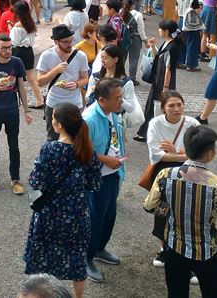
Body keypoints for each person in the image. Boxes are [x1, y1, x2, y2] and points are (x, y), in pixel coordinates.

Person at [144, 126, 217, 298]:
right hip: (206, 253)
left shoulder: (166, 175)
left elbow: (149, 206)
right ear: (210, 153)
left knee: (176, 294)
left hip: (174, 248)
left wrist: (169, 209)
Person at [24, 103, 102, 298]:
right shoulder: (87, 151)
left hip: (49, 215)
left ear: (59, 125)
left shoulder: (49, 149)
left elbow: (37, 181)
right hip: (77, 215)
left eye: (53, 118)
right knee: (77, 262)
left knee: (44, 261)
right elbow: (94, 184)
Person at [144, 91, 201, 268]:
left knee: (189, 211)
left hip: (190, 170)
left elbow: (200, 152)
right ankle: (164, 249)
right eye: (171, 105)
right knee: (163, 210)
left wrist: (175, 150)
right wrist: (187, 154)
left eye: (179, 104)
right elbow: (157, 155)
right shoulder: (155, 123)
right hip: (164, 171)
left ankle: (188, 252)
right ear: (163, 108)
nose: (176, 109)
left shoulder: (193, 123)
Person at [82, 78, 126, 284]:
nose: (121, 102)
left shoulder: (113, 113)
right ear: (102, 100)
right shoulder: (89, 119)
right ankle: (86, 258)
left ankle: (99, 249)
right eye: (118, 98)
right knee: (95, 219)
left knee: (109, 216)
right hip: (96, 177)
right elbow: (80, 151)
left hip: (112, 174)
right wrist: (106, 159)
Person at [0, 34, 31, 195]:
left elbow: (21, 87)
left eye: (10, 47)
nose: (8, 51)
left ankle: (15, 179)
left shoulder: (17, 62)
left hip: (12, 111)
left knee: (14, 146)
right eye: (4, 48)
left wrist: (27, 110)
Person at [134, 20, 185, 141]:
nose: (158, 30)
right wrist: (153, 47)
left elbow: (168, 69)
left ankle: (152, 133)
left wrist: (165, 88)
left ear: (166, 31)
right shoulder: (167, 43)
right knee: (153, 107)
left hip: (163, 81)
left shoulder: (172, 47)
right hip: (159, 80)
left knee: (158, 107)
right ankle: (147, 132)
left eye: (160, 29)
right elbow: (158, 59)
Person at [37, 24, 90, 141]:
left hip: (74, 103)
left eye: (71, 41)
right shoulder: (46, 55)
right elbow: (40, 82)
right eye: (65, 42)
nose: (69, 45)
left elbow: (85, 78)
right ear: (56, 42)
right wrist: (55, 71)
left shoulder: (80, 55)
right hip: (54, 103)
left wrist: (76, 84)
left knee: (75, 138)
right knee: (53, 138)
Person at [10, 0, 45, 109]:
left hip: (18, 52)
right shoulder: (31, 23)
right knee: (31, 78)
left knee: (17, 77)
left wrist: (11, 29)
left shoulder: (18, 25)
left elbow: (15, 42)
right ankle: (39, 100)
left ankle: (16, 100)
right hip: (29, 51)